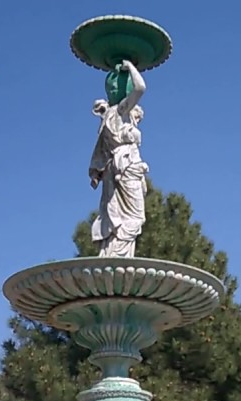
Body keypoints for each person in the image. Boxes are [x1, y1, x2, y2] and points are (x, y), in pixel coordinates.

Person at [88, 59, 148, 258]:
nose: (139, 116)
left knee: (115, 213)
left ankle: (112, 254)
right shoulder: (122, 110)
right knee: (134, 216)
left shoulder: (108, 117)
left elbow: (100, 149)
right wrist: (131, 67)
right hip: (127, 165)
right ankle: (120, 257)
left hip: (114, 169)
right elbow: (141, 87)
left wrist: (95, 172)